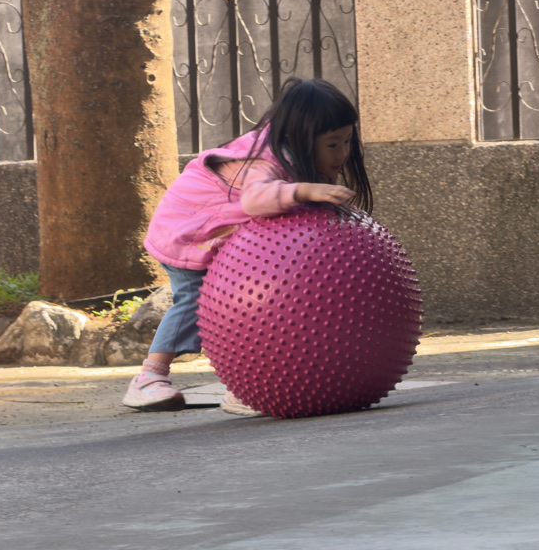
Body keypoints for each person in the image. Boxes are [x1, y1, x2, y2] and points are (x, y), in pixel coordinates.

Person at [122, 77, 373, 415]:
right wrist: (303, 191)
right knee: (197, 302)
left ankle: (244, 385)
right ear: (299, 137)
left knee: (250, 306)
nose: (342, 153)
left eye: (347, 141)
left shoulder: (293, 155)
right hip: (188, 235)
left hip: (223, 235)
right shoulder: (264, 162)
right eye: (332, 145)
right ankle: (149, 378)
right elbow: (255, 200)